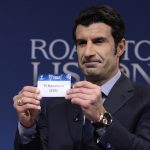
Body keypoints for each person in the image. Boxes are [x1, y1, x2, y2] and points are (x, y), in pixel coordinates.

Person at [13, 4, 150, 150]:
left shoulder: (145, 100)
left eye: (98, 41)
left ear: (120, 47)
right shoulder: (52, 107)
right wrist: (27, 128)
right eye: (82, 43)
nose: (88, 52)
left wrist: (102, 118)